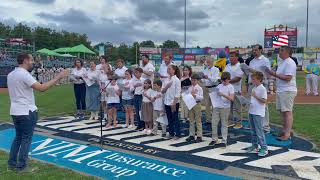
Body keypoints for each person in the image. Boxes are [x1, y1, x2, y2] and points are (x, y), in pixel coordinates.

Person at [7, 53, 69, 173]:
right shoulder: (24, 74)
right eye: (31, 60)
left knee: (18, 138)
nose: (33, 62)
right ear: (25, 60)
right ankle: (22, 166)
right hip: (26, 111)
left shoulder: (11, 74)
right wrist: (59, 77)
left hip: (15, 111)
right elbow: (42, 88)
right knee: (26, 139)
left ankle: (12, 164)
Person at [266, 46, 297, 141]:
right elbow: (281, 76)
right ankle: (284, 131)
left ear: (287, 52)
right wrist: (274, 80)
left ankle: (287, 134)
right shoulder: (282, 62)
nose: (279, 52)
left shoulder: (290, 62)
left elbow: (288, 78)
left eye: (281, 50)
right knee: (283, 112)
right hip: (282, 90)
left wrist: (273, 74)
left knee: (287, 112)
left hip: (287, 90)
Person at [245, 71, 268, 157]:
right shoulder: (254, 88)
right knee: (253, 130)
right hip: (252, 111)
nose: (252, 80)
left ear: (259, 79)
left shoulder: (262, 88)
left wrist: (255, 96)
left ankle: (264, 148)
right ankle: (254, 145)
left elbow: (264, 101)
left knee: (259, 131)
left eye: (254, 79)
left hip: (258, 113)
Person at [248, 44, 271, 133]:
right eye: (253, 50)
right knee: (252, 103)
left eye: (256, 50)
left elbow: (267, 74)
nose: (254, 52)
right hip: (252, 84)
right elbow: (250, 74)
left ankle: (265, 127)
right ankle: (253, 125)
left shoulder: (265, 60)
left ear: (261, 50)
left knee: (263, 105)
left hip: (262, 84)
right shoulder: (251, 61)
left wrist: (255, 72)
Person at [210, 72, 234, 147]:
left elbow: (232, 98)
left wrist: (223, 95)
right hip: (217, 106)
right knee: (214, 123)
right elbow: (215, 94)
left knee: (224, 124)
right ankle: (214, 139)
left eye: (225, 80)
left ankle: (224, 140)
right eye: (222, 80)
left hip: (225, 107)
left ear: (229, 80)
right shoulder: (219, 86)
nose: (223, 81)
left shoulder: (230, 87)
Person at [224, 51, 244, 129]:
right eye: (230, 56)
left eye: (232, 56)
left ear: (237, 57)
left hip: (236, 90)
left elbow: (238, 78)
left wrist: (227, 81)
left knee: (237, 107)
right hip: (228, 90)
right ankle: (230, 121)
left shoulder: (240, 66)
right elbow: (224, 75)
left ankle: (239, 123)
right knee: (229, 107)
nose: (230, 58)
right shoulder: (227, 66)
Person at [162, 65, 181, 139]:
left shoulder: (176, 80)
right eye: (167, 69)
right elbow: (162, 91)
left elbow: (177, 93)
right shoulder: (166, 79)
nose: (168, 70)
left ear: (174, 70)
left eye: (169, 69)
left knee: (175, 118)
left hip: (174, 102)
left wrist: (174, 103)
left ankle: (178, 134)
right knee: (169, 118)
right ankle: (171, 133)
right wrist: (167, 86)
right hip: (167, 101)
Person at [185, 73, 204, 143]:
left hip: (197, 104)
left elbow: (201, 97)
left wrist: (195, 95)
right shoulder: (190, 88)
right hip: (191, 104)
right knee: (191, 120)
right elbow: (187, 95)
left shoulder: (199, 88)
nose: (193, 82)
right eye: (192, 80)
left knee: (198, 120)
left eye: (194, 80)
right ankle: (191, 135)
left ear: (197, 81)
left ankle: (199, 136)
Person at [201, 56, 220, 124]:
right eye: (207, 61)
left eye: (209, 62)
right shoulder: (205, 70)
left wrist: (208, 77)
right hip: (206, 88)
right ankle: (208, 119)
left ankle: (215, 119)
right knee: (207, 105)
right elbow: (203, 80)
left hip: (213, 88)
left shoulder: (216, 69)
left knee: (214, 105)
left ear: (212, 62)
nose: (207, 63)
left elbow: (215, 80)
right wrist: (202, 79)